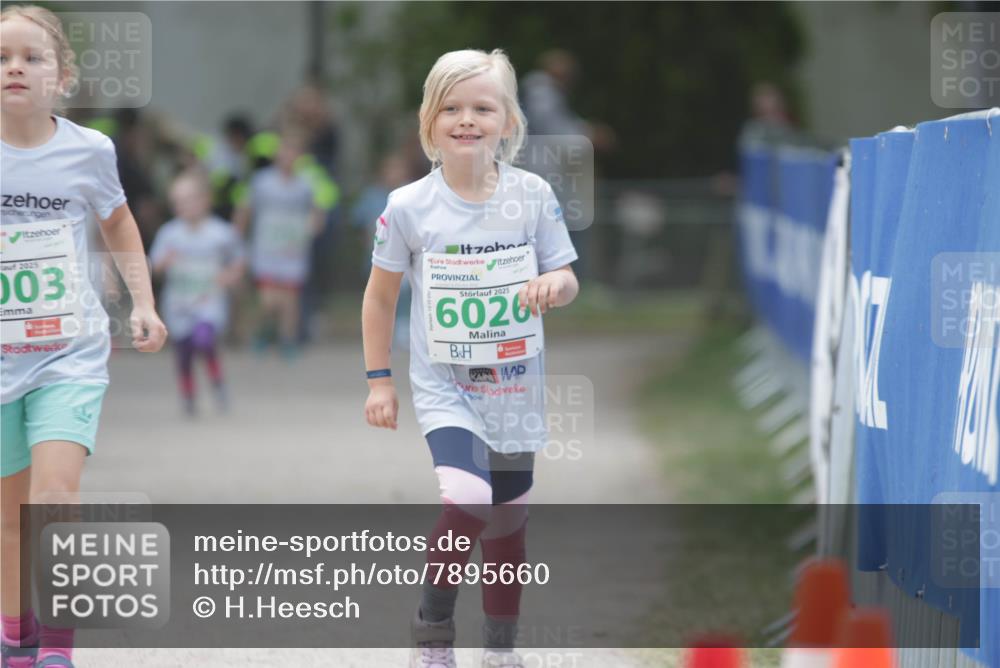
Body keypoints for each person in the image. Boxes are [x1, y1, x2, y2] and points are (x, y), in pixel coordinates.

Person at [361, 49, 579, 668]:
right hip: (445, 386)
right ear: (428, 122)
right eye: (450, 108)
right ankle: (433, 627)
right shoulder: (407, 206)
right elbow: (379, 301)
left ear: (508, 121)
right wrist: (379, 381)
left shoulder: (532, 195)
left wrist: (553, 287)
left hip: (514, 388)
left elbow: (565, 275)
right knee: (467, 498)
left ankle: (501, 650)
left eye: (482, 108)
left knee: (508, 523)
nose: (466, 119)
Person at [0, 6, 168, 668]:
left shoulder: (89, 150)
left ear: (62, 76)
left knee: (55, 498)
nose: (14, 67)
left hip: (68, 353)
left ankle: (58, 651)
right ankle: (17, 636)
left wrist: (143, 302)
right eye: (1, 57)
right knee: (10, 520)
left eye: (31, 57)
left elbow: (120, 224)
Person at [150, 170, 244, 416]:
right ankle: (188, 393)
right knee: (184, 351)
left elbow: (239, 260)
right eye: (178, 202)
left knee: (204, 339)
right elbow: (154, 266)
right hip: (179, 303)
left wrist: (229, 276)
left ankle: (216, 381)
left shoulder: (220, 232)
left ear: (205, 200)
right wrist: (164, 263)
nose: (184, 206)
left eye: (190, 199)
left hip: (208, 301)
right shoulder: (169, 233)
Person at [233, 130, 326, 359]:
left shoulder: (305, 184)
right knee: (269, 300)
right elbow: (245, 210)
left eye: (294, 152)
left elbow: (317, 210)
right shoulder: (261, 181)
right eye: (285, 151)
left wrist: (313, 225)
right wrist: (237, 239)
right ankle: (264, 331)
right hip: (266, 248)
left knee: (289, 300)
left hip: (293, 249)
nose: (289, 156)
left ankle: (288, 341)